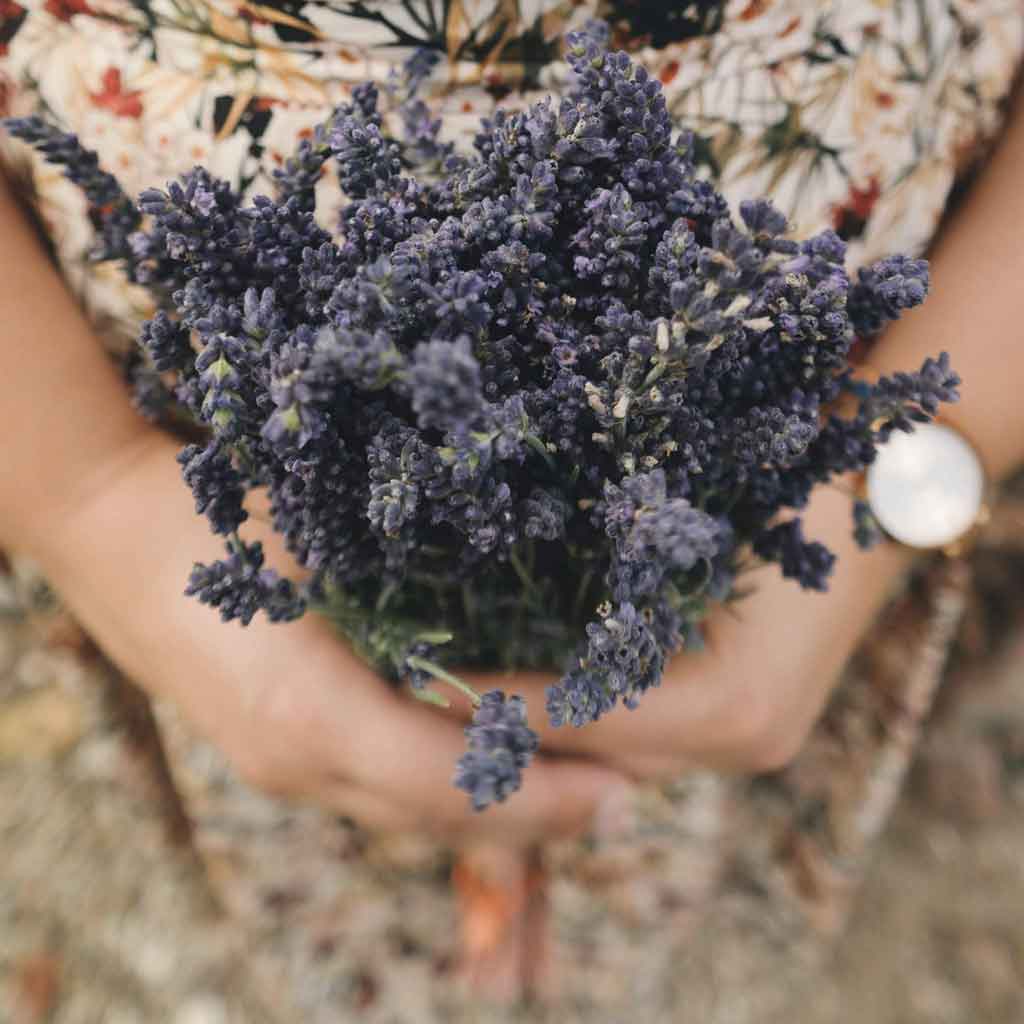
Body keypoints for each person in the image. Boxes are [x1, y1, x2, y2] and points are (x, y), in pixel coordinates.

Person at [1, 0, 1023, 966]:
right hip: (211, 463)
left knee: (680, 806)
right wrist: (82, 489)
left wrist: (904, 472)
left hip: (792, 449)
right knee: (352, 821)